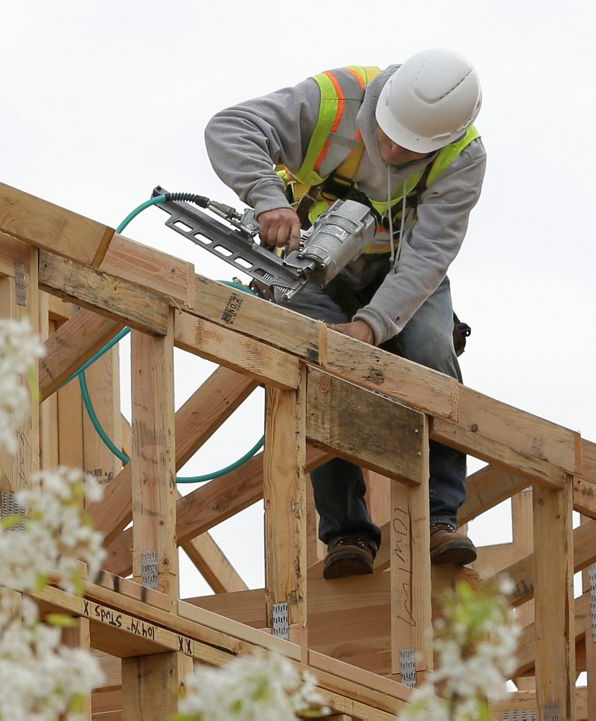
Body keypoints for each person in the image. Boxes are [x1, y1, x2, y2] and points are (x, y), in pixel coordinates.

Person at [204, 49, 486, 578]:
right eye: (389, 135)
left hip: (400, 269)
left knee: (430, 352)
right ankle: (347, 533)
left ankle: (441, 518)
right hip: (312, 262)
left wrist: (371, 326)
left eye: (412, 148)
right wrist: (267, 199)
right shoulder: (333, 101)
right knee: (321, 369)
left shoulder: (462, 157)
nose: (395, 149)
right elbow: (231, 127)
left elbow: (428, 256)